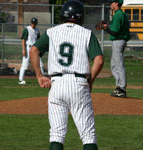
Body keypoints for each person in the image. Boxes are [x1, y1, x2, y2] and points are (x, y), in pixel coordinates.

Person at [29, 1, 104, 149]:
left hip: (57, 83)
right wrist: (91, 80)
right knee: (88, 135)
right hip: (79, 82)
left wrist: (39, 75)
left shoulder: (52, 32)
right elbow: (99, 60)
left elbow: (34, 51)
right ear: (81, 17)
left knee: (57, 134)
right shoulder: (87, 33)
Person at [95, 0, 130, 98]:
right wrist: (107, 27)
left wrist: (105, 28)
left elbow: (115, 32)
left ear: (116, 4)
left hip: (118, 41)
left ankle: (122, 88)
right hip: (119, 41)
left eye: (112, 2)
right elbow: (116, 30)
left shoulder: (118, 15)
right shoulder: (120, 14)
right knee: (114, 65)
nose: (111, 4)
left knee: (118, 64)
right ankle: (119, 87)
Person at [18, 17, 45, 85]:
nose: (33, 24)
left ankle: (43, 78)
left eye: (35, 23)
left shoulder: (37, 30)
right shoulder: (27, 29)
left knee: (40, 63)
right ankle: (20, 80)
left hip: (35, 48)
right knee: (25, 64)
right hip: (28, 47)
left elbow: (39, 40)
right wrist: (23, 49)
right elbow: (23, 40)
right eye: (33, 23)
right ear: (31, 23)